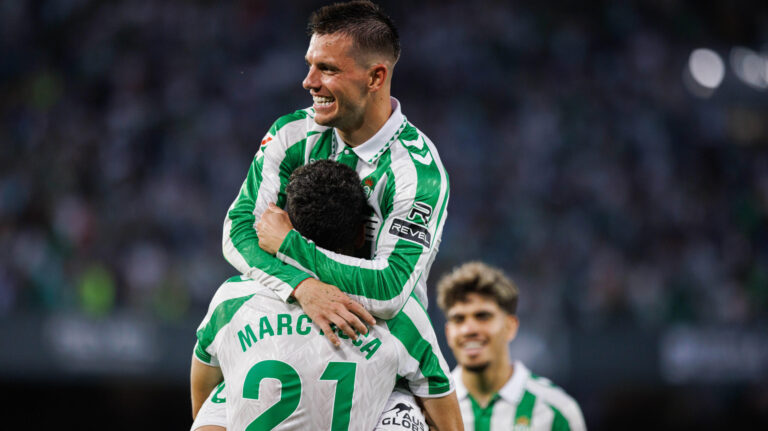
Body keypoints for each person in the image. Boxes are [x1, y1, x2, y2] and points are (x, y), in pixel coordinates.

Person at [223, 0, 450, 347]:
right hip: (289, 328)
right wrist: (304, 287)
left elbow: (389, 289)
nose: (308, 82)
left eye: (327, 69)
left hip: (377, 348)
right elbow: (238, 231)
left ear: (375, 77)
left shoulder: (416, 173)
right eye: (310, 65)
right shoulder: (292, 134)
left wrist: (289, 245)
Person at [191, 160, 461, 430]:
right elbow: (450, 424)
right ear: (361, 235)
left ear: (288, 226)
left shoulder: (231, 299)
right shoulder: (400, 314)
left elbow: (204, 407)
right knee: (404, 409)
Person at [437, 262, 586, 431]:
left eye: (483, 316)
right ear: (448, 333)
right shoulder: (427, 408)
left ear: (510, 327)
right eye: (459, 319)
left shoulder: (556, 410)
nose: (469, 329)